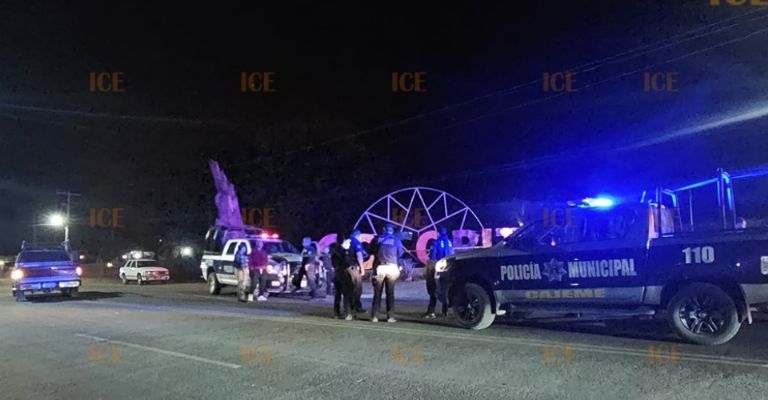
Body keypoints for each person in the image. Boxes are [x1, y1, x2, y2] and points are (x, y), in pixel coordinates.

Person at [370, 224, 404, 323]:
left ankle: (374, 316)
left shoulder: (377, 239)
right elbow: (400, 253)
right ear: (392, 231)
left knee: (377, 293)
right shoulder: (396, 239)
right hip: (392, 267)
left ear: (384, 229)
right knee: (390, 293)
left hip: (380, 267)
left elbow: (371, 250)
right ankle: (390, 317)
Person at [424, 227, 453, 318]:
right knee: (445, 288)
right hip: (449, 267)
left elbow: (433, 257)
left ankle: (431, 311)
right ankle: (445, 311)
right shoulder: (449, 242)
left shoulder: (436, 242)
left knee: (434, 289)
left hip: (438, 267)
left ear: (438, 233)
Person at [331, 235, 353, 320]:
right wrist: (346, 251)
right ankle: (347, 313)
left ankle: (336, 313)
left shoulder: (333, 250)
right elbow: (346, 262)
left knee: (337, 294)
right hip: (343, 273)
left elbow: (333, 262)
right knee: (346, 294)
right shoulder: (343, 250)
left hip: (336, 272)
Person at [348, 230, 367, 313]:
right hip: (354, 268)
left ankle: (348, 308)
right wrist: (362, 268)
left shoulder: (346, 242)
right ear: (358, 236)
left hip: (345, 268)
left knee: (349, 288)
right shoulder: (356, 242)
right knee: (357, 288)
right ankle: (357, 307)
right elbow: (359, 255)